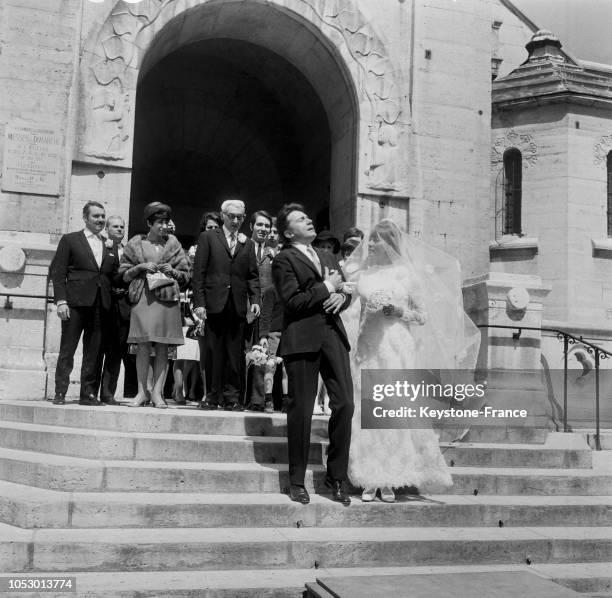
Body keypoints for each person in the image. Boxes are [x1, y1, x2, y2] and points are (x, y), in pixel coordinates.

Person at [345, 219, 480, 502]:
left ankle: (391, 478)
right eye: (369, 239)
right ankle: (369, 477)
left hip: (397, 344)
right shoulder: (365, 274)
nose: (369, 244)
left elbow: (421, 316)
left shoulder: (406, 274)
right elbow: (355, 312)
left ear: (390, 243)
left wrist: (397, 310)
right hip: (369, 345)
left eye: (376, 240)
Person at [272, 203, 353, 506]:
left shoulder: (328, 255)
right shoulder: (283, 259)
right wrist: (327, 286)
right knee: (301, 410)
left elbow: (344, 289)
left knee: (345, 403)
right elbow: (292, 301)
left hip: (332, 334)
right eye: (300, 219)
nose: (308, 221)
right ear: (288, 231)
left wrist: (341, 297)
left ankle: (336, 477)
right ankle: (296, 480)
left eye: (307, 217)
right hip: (302, 338)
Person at [119, 202, 190, 409]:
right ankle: (142, 392)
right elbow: (123, 273)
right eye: (159, 222)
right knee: (142, 346)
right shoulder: (135, 244)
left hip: (166, 298)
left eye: (166, 222)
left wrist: (173, 271)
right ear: (149, 223)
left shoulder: (174, 244)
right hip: (143, 297)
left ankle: (158, 393)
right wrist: (140, 266)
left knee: (162, 346)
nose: (163, 226)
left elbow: (186, 275)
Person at [192, 199, 261, 411]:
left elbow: (252, 276)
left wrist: (255, 300)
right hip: (214, 303)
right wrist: (200, 303)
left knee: (235, 354)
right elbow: (199, 272)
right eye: (232, 216)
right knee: (214, 351)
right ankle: (212, 396)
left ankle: (232, 398)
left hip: (237, 305)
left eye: (240, 217)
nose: (236, 221)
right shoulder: (208, 237)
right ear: (223, 216)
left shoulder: (247, 243)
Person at [49, 201, 119, 406]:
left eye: (102, 216)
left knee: (94, 351)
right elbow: (58, 272)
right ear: (85, 218)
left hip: (100, 304)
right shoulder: (70, 240)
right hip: (75, 303)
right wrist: (61, 301)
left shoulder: (110, 244)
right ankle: (60, 392)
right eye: (96, 216)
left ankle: (87, 394)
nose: (100, 220)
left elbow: (113, 276)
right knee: (68, 349)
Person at [99, 215, 135, 403]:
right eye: (115, 226)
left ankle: (108, 393)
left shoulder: (129, 251)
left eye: (122, 226)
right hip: (105, 305)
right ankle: (89, 391)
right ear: (107, 229)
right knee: (97, 350)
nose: (120, 229)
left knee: (116, 352)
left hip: (124, 307)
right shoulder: (102, 247)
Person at [247, 210, 274, 411]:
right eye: (260, 225)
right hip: (242, 308)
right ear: (251, 227)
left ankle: (257, 400)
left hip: (264, 311)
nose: (263, 229)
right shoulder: (243, 248)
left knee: (260, 355)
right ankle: (236, 397)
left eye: (267, 226)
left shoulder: (272, 254)